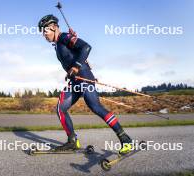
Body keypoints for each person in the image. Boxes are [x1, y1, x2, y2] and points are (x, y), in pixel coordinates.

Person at [38, 14, 133, 154]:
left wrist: (76, 66)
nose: (43, 35)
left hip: (84, 77)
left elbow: (86, 47)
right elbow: (74, 54)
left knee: (95, 107)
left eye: (44, 31)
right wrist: (70, 69)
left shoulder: (64, 37)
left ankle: (125, 139)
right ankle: (72, 141)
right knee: (60, 108)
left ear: (53, 27)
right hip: (75, 80)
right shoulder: (58, 43)